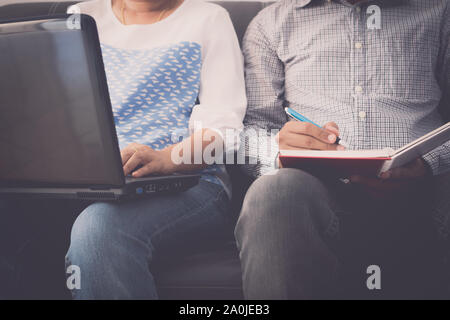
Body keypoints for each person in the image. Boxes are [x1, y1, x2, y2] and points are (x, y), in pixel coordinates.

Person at [236, 0, 450, 299]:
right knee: (272, 193)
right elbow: (250, 131)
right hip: (316, 189)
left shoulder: (439, 12)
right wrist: (278, 151)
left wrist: (430, 162)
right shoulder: (270, 24)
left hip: (429, 186)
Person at [64, 0, 246, 299]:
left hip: (189, 184)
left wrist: (166, 159)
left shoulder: (209, 19)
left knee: (98, 230)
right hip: (89, 179)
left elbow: (223, 132)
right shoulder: (80, 17)